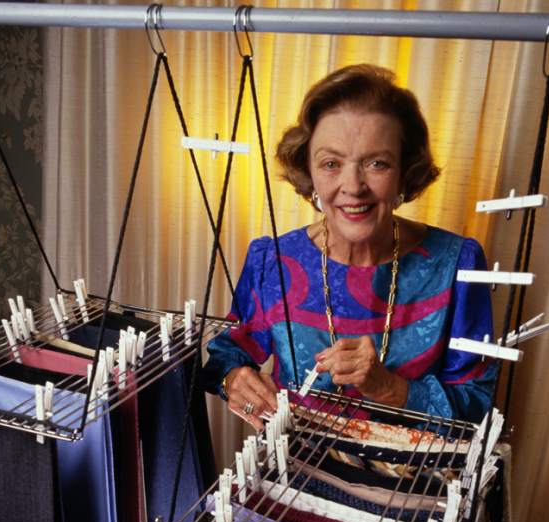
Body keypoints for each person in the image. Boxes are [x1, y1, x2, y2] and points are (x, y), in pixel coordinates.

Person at [203, 64, 495, 430]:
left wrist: (390, 388)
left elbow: (479, 405)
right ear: (308, 173)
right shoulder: (273, 261)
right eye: (331, 163)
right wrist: (234, 379)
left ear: (404, 171)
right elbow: (226, 353)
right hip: (292, 470)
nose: (353, 186)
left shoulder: (457, 265)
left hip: (412, 481)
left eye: (377, 163)